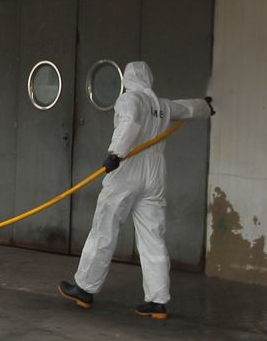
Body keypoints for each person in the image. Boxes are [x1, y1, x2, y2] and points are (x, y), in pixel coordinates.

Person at [58, 61, 213, 321]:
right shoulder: (162, 105)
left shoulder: (129, 99)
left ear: (127, 79)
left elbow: (130, 122)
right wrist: (206, 107)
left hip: (128, 167)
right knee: (153, 236)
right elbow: (186, 108)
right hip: (155, 172)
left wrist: (115, 153)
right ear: (149, 79)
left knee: (105, 227)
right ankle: (157, 301)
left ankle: (84, 289)